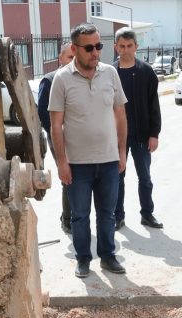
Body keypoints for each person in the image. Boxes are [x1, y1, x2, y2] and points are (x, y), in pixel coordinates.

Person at [49, 24, 129, 278]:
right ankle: (83, 258)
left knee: (107, 214)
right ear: (74, 49)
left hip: (108, 161)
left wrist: (122, 152)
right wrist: (62, 162)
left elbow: (120, 115)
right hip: (78, 164)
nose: (95, 52)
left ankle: (108, 256)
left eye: (99, 46)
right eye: (89, 47)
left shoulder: (110, 74)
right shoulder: (61, 79)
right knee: (80, 216)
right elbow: (55, 125)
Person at [112, 28, 164, 231]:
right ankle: (118, 216)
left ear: (136, 46)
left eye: (129, 46)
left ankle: (147, 214)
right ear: (116, 47)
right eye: (121, 46)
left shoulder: (146, 71)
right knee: (117, 178)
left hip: (142, 135)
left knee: (145, 178)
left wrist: (154, 134)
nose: (125, 50)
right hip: (117, 137)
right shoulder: (110, 72)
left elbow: (154, 105)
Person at [38, 40, 74, 234]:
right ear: (60, 58)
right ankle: (67, 219)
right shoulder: (50, 80)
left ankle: (75, 216)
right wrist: (57, 132)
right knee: (68, 177)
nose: (72, 61)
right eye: (69, 57)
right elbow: (43, 112)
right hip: (59, 137)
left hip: (79, 138)